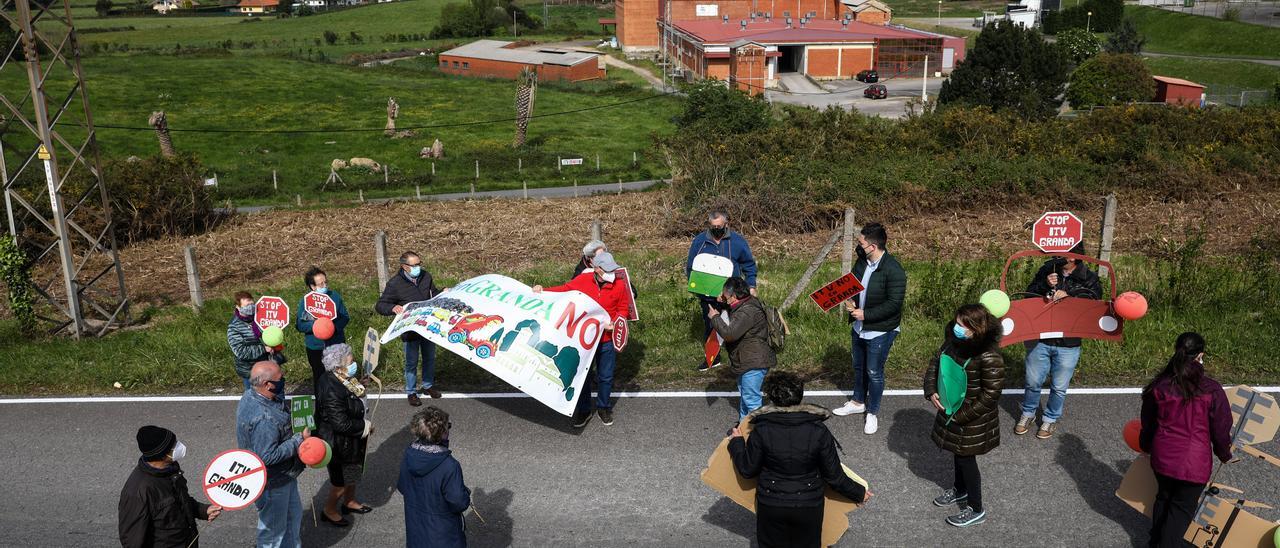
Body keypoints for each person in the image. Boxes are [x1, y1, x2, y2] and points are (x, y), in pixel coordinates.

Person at [727, 371, 869, 548]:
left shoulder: (761, 430)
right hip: (808, 504)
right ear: (800, 396)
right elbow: (834, 476)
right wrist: (858, 492)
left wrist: (737, 443)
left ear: (771, 397)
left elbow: (748, 470)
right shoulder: (819, 431)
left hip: (771, 502)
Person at [1140, 332, 1233, 548]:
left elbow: (1148, 422)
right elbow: (1221, 427)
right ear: (1201, 355)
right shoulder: (1211, 389)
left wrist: (1145, 446)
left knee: (1164, 497)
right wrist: (1224, 453)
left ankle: (1155, 541)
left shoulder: (1160, 385)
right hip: (1194, 464)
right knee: (1181, 508)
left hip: (1162, 457)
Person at [922, 304, 1005, 528]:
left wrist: (962, 415)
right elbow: (935, 364)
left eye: (962, 325)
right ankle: (959, 491)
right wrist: (930, 390)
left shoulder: (989, 355)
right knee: (957, 452)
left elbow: (991, 394)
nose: (956, 328)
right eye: (956, 322)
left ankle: (976, 508)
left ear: (976, 328)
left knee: (967, 459)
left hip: (971, 418)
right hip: (951, 409)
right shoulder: (952, 342)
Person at [534, 252, 631, 428]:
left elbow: (623, 308)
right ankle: (584, 410)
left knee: (606, 376)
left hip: (607, 339)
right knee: (582, 376)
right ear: (597, 269)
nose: (611, 273)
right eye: (607, 269)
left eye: (612, 269)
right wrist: (542, 291)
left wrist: (616, 321)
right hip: (585, 340)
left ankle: (604, 408)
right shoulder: (583, 281)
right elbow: (564, 290)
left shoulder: (619, 285)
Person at [1016, 242, 1101, 439]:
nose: (1059, 257)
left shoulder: (1089, 277)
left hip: (1069, 342)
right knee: (1033, 381)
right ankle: (1027, 413)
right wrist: (1045, 284)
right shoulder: (1047, 269)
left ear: (1075, 256)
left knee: (1059, 386)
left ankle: (1049, 419)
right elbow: (1029, 294)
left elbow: (1094, 302)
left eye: (1065, 253)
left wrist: (1070, 296)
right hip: (1041, 337)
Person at [833, 223, 907, 436]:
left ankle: (872, 412)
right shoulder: (862, 261)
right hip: (859, 328)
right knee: (859, 366)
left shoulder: (894, 271)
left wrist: (866, 314)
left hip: (880, 330)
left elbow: (894, 304)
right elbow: (852, 283)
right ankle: (858, 402)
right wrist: (842, 296)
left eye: (862, 243)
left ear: (873, 246)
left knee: (874, 372)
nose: (859, 245)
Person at [237, 360, 307, 548]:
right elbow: (266, 456)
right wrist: (298, 439)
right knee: (273, 534)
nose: (283, 380)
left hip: (284, 477)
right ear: (268, 384)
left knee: (293, 517)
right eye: (280, 378)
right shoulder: (264, 418)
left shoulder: (250, 395)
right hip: (273, 482)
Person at [118, 426, 221, 548]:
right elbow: (131, 540)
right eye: (174, 445)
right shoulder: (138, 491)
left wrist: (203, 510)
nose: (179, 446)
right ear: (161, 454)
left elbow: (181, 502)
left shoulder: (170, 470)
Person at [686, 209, 758, 372]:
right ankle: (713, 358)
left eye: (719, 226)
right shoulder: (699, 242)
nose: (716, 229)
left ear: (726, 224)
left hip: (734, 296)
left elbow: (748, 265)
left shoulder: (738, 241)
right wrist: (699, 290)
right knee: (711, 325)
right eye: (713, 226)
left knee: (738, 327)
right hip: (709, 296)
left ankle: (740, 359)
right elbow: (691, 268)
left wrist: (751, 285)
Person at [315, 343, 374, 527]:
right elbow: (340, 423)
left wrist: (361, 384)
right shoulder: (331, 387)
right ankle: (329, 510)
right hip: (340, 443)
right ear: (339, 364)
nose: (354, 362)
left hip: (352, 440)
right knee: (340, 481)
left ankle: (349, 502)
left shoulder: (343, 377)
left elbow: (352, 392)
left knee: (353, 473)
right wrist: (365, 426)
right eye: (350, 360)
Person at [376, 251, 443, 406]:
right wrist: (393, 307)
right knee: (411, 361)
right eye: (414, 265)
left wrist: (443, 292)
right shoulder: (394, 284)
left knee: (430, 357)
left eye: (419, 264)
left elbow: (433, 293)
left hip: (427, 326)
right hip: (409, 330)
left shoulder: (426, 276)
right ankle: (411, 391)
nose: (418, 267)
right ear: (404, 266)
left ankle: (428, 385)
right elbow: (380, 305)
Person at [398, 406, 471, 548]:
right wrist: (465, 493)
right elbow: (459, 503)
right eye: (448, 426)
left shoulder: (409, 454)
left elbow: (402, 486)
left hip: (416, 527)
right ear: (442, 433)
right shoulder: (449, 465)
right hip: (443, 534)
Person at [709, 276, 776, 421]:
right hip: (747, 359)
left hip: (753, 361)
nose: (723, 296)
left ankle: (756, 432)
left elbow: (729, 333)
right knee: (746, 397)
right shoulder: (746, 302)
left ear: (733, 296)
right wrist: (723, 303)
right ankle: (742, 427)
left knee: (751, 400)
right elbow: (735, 314)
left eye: (725, 295)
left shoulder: (747, 311)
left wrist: (714, 317)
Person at [296, 266, 351, 393]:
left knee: (338, 378)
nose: (324, 285)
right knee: (320, 378)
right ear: (312, 286)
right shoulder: (306, 301)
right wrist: (316, 326)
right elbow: (300, 325)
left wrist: (333, 327)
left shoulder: (334, 296)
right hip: (315, 347)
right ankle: (320, 408)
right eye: (321, 284)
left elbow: (345, 317)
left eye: (326, 282)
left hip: (335, 344)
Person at [228, 291, 285, 391]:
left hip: (269, 365)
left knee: (276, 392)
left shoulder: (261, 317)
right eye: (247, 305)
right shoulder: (234, 327)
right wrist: (263, 349)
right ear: (238, 307)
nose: (250, 307)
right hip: (250, 370)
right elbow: (240, 351)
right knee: (255, 396)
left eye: (251, 303)